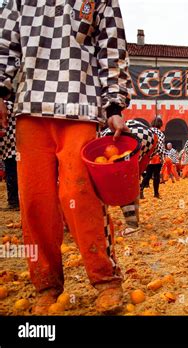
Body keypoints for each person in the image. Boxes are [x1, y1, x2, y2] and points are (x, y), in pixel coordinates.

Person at [0, 0, 131, 314]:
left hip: (80, 104)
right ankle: (46, 282)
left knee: (79, 192)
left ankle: (105, 279)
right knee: (35, 199)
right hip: (30, 106)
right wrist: (0, 92)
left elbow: (111, 47)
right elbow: (5, 42)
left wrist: (114, 106)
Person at [102, 118, 159, 235]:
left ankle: (132, 225)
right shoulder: (155, 133)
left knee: (122, 181)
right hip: (147, 138)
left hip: (127, 137)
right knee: (131, 179)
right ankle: (134, 219)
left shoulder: (101, 131)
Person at [0, 97, 19, 210]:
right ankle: (14, 201)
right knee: (11, 169)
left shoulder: (9, 107)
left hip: (13, 142)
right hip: (9, 144)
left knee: (12, 169)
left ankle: (14, 202)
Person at [140, 117, 165, 198]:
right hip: (156, 156)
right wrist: (162, 155)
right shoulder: (160, 133)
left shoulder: (148, 131)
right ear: (160, 124)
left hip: (148, 156)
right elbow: (160, 145)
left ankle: (141, 188)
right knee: (156, 175)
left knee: (148, 174)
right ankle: (156, 193)